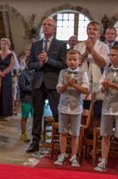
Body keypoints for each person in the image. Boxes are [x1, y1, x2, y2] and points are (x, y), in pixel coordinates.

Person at [26, 17, 68, 153]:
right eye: (44, 24)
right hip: (38, 83)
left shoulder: (61, 45)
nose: (46, 27)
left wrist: (48, 60)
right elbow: (29, 63)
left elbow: (63, 65)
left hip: (53, 83)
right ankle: (35, 141)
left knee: (56, 112)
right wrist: (39, 64)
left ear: (54, 29)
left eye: (49, 25)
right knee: (37, 114)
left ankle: (58, 142)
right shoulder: (36, 45)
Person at [95, 45, 118, 175]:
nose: (111, 57)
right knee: (105, 135)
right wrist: (104, 87)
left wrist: (112, 85)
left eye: (114, 55)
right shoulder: (107, 70)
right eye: (110, 55)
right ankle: (103, 160)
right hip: (107, 107)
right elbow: (100, 87)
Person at [54, 49, 89, 168]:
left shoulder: (83, 74)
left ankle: (74, 155)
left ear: (79, 61)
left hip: (76, 107)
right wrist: (66, 84)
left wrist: (73, 85)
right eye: (70, 60)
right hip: (63, 106)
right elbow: (59, 90)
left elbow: (85, 90)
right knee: (63, 132)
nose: (72, 62)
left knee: (75, 134)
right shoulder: (62, 72)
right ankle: (63, 154)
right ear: (66, 61)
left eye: (75, 60)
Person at [76, 20, 109, 125]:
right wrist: (86, 52)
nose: (91, 31)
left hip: (97, 83)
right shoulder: (79, 46)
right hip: (82, 82)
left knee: (97, 113)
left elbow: (103, 63)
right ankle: (82, 134)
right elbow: (76, 63)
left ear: (99, 33)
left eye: (95, 29)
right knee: (82, 111)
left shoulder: (104, 47)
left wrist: (92, 51)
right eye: (89, 29)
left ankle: (94, 135)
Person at [0, 37, 15, 119]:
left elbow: (11, 66)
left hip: (7, 75)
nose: (3, 45)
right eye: (2, 44)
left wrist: (3, 73)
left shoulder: (11, 54)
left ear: (8, 45)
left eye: (5, 44)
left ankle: (5, 113)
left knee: (6, 92)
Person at [18, 67, 34, 142]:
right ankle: (23, 133)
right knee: (25, 117)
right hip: (26, 99)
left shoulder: (36, 72)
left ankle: (38, 133)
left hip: (35, 99)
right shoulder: (23, 74)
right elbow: (22, 87)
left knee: (36, 117)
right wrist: (34, 89)